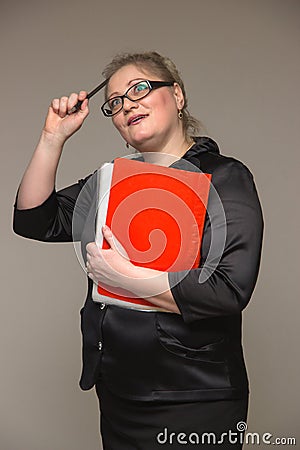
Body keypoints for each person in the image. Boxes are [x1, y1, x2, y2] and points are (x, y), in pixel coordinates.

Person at [13, 51, 264, 449]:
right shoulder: (111, 182)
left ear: (177, 96)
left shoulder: (225, 177)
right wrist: (52, 139)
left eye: (140, 88)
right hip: (118, 392)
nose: (127, 104)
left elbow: (230, 290)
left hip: (194, 397)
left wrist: (129, 280)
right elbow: (33, 219)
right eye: (115, 103)